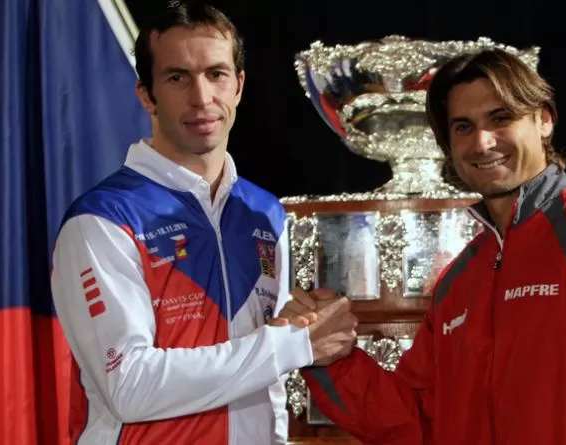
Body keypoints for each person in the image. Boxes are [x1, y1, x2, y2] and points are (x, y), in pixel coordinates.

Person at [277, 49, 566, 444]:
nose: (482, 143)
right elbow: (411, 422)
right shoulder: (460, 278)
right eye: (464, 127)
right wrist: (327, 354)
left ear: (544, 120)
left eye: (500, 118)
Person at [49, 3, 357, 444]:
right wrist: (293, 344)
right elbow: (129, 386)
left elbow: (267, 384)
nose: (202, 98)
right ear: (145, 94)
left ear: (239, 86)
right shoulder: (104, 219)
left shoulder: (265, 213)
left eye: (216, 74)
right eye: (178, 78)